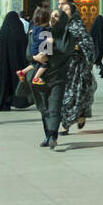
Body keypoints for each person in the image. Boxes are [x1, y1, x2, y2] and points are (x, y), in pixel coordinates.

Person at [34, 8, 73, 151]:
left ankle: (52, 136)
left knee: (54, 107)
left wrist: (51, 46)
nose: (53, 18)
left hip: (58, 77)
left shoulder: (66, 35)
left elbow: (65, 51)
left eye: (57, 16)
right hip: (42, 78)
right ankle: (47, 135)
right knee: (44, 108)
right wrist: (35, 56)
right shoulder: (43, 32)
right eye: (52, 15)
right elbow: (31, 52)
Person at [58, 0, 97, 133]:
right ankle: (78, 116)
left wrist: (76, 47)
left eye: (65, 6)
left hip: (76, 67)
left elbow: (88, 44)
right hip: (62, 66)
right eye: (60, 5)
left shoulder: (77, 25)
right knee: (62, 96)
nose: (62, 8)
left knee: (74, 95)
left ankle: (66, 124)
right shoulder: (58, 23)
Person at [0, 9, 32, 111]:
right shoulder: (18, 28)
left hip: (3, 61)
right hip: (17, 62)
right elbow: (24, 44)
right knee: (16, 80)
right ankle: (19, 101)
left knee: (3, 80)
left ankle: (2, 102)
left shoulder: (3, 30)